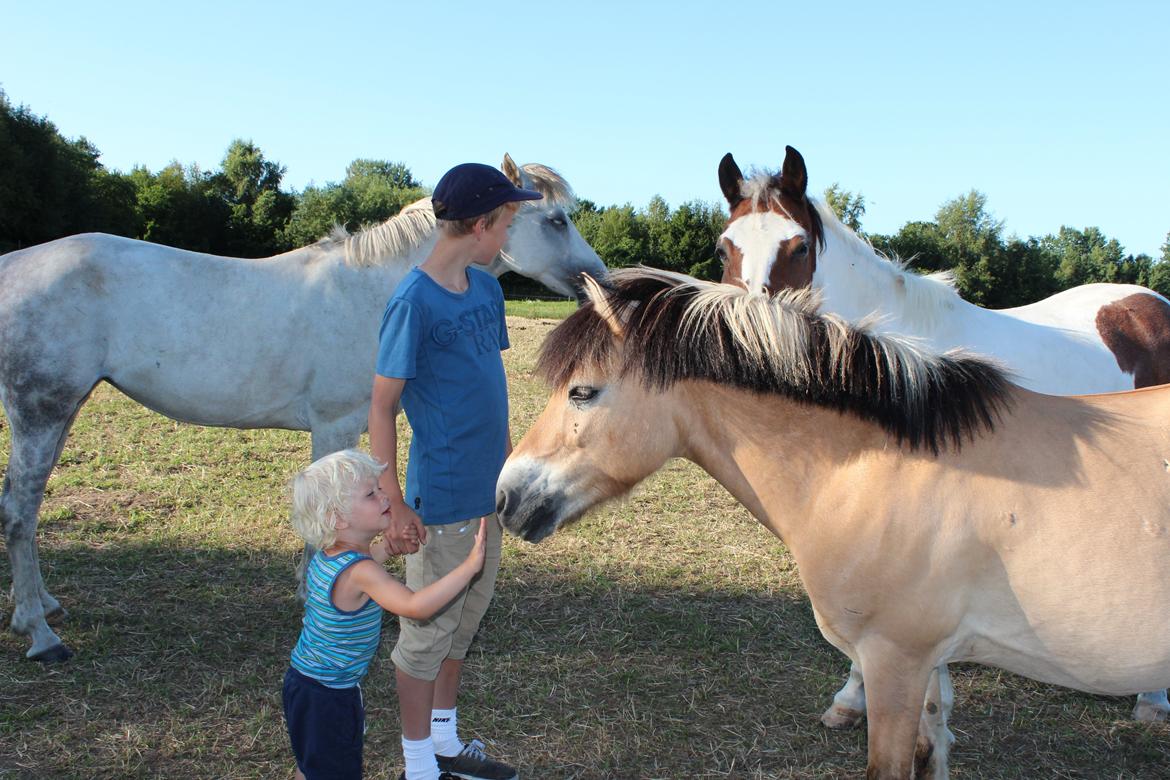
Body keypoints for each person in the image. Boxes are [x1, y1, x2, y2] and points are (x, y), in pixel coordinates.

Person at [368, 162, 540, 780]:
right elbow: (382, 407)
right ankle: (419, 766)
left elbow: (485, 387)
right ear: (478, 225)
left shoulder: (488, 290)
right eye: (507, 224)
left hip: (489, 494)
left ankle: (445, 742)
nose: (509, 238)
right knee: (424, 637)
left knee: (462, 627)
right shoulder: (412, 304)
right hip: (439, 500)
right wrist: (394, 504)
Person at [283, 448, 487, 780]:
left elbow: (362, 569)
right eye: (370, 494)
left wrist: (388, 548)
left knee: (314, 764)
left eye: (379, 489)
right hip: (327, 697)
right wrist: (468, 568)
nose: (383, 497)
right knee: (335, 770)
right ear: (339, 518)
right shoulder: (361, 571)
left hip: (307, 684)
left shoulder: (330, 557)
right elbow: (415, 606)